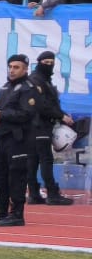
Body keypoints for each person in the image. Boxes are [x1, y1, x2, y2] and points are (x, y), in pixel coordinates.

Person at [0, 54, 38, 227]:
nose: (12, 70)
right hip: (3, 138)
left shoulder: (28, 88)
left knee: (16, 176)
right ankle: (0, 211)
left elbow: (26, 114)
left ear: (25, 69)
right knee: (0, 176)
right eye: (10, 66)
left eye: (16, 67)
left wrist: (1, 115)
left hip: (20, 138)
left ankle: (17, 214)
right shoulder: (5, 87)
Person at [29, 51, 75, 206]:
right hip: (38, 125)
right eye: (46, 62)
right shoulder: (36, 80)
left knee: (34, 160)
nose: (49, 65)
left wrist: (61, 114)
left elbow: (51, 104)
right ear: (39, 62)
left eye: (51, 62)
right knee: (45, 159)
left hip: (41, 125)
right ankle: (52, 193)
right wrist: (61, 116)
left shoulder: (44, 80)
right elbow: (41, 105)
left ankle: (34, 194)